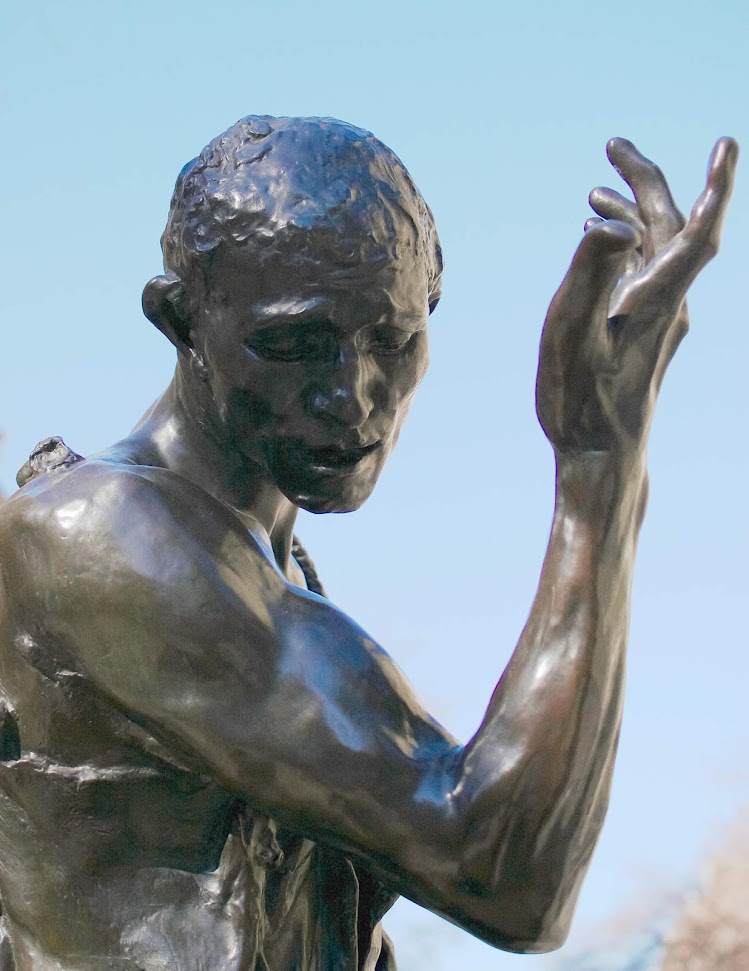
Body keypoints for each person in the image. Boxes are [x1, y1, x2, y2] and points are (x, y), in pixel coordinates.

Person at [0, 115, 736, 970]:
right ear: (179, 321)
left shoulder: (274, 574)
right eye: (294, 344)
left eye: (391, 339)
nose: (351, 397)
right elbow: (503, 874)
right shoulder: (103, 536)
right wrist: (598, 467)